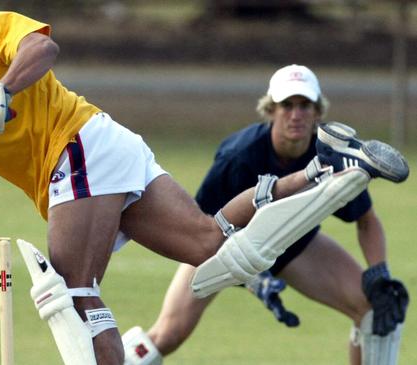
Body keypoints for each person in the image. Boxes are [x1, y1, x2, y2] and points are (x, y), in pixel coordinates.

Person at [0, 8, 408, 364]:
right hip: (102, 155)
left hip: (79, 142)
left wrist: (5, 91)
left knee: (71, 293)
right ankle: (326, 172)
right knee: (214, 250)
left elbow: (43, 48)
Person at [122, 65, 409, 365]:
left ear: (317, 112)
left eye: (304, 105)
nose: (295, 114)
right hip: (222, 246)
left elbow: (367, 220)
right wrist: (253, 279)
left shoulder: (333, 157)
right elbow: (200, 227)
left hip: (296, 246)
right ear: (271, 109)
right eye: (287, 105)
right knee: (167, 335)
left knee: (376, 310)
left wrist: (379, 274)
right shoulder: (239, 155)